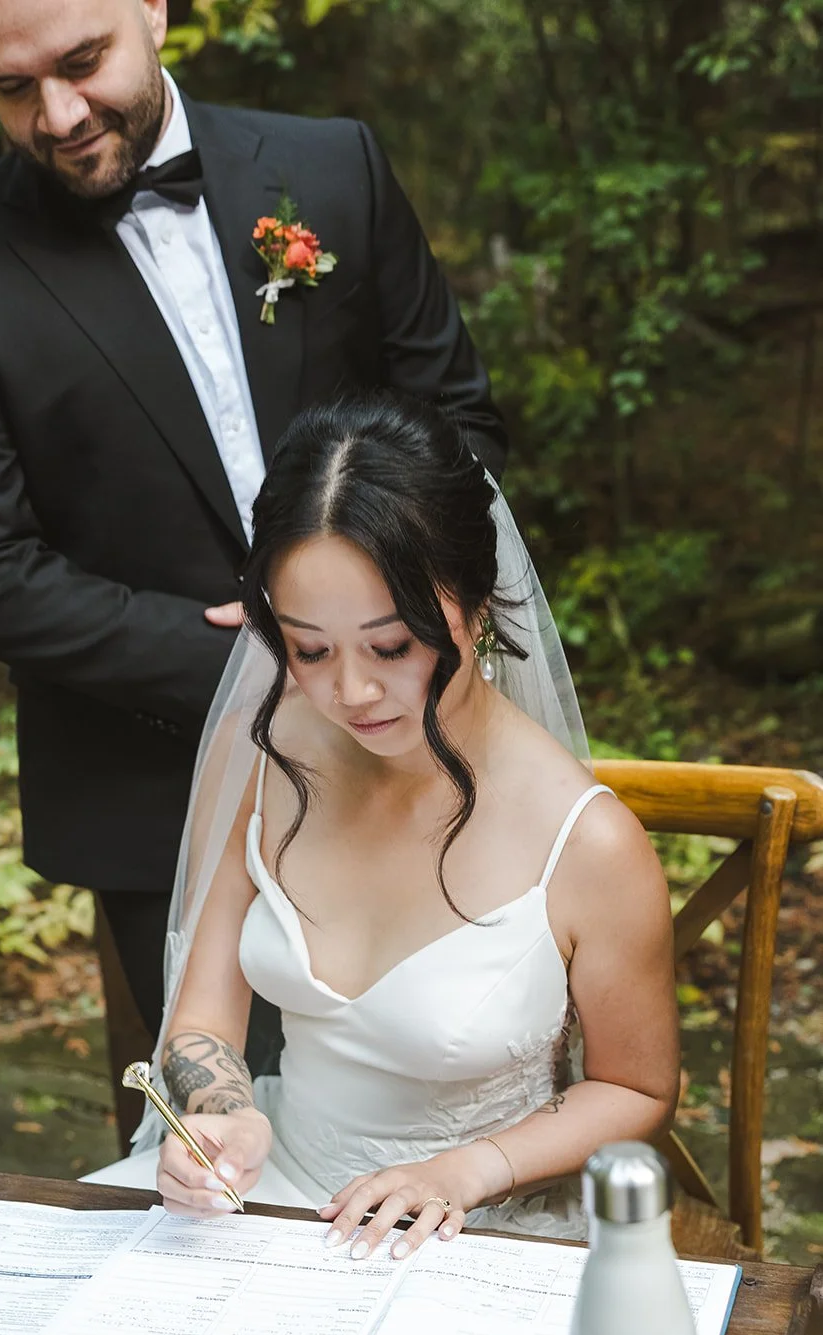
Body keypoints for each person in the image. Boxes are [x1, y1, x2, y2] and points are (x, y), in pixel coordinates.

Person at [0, 0, 507, 1041]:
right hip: (164, 794)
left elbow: (458, 421)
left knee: (460, 1072)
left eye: (84, 62)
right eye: (12, 87)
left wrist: (385, 624)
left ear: (154, 12)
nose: (61, 112)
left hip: (425, 740)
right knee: (221, 1149)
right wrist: (260, 666)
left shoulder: (332, 167)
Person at [86, 393, 680, 1257]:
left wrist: (465, 1172)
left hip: (468, 1222)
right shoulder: (266, 747)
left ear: (478, 607)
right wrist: (220, 1115)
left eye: (391, 646)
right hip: (268, 1188)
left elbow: (636, 1089)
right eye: (309, 650)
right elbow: (203, 1011)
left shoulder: (585, 843)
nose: (351, 694)